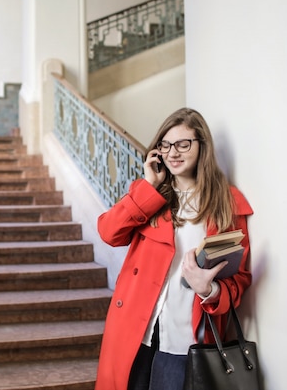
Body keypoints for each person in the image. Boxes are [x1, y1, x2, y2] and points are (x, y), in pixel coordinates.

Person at [94, 108, 253, 390]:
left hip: (185, 338)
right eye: (165, 145)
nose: (173, 153)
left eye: (183, 144)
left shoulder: (226, 203)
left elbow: (239, 277)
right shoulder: (150, 195)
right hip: (135, 330)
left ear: (201, 146)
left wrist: (210, 290)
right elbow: (109, 232)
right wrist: (148, 185)